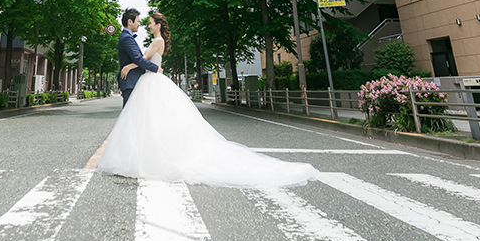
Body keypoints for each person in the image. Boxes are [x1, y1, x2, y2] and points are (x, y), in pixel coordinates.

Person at [97, 13, 318, 188]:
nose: (147, 24)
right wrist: (138, 65)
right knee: (156, 119)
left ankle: (146, 157)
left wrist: (131, 65)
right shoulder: (158, 40)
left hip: (151, 79)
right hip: (152, 80)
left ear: (158, 25)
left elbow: (142, 60)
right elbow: (142, 60)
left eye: (150, 22)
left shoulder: (156, 41)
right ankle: (149, 154)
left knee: (150, 119)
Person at [117, 7, 159, 107]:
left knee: (132, 116)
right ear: (130, 22)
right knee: (129, 116)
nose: (139, 24)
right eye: (138, 21)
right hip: (130, 82)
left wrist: (131, 65)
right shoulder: (126, 38)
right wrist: (156, 68)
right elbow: (138, 59)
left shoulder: (126, 37)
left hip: (133, 82)